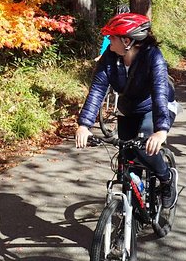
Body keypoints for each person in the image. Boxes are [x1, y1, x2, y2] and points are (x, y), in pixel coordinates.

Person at [75, 13, 179, 208]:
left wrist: (160, 131)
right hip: (128, 107)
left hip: (156, 105)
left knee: (146, 148)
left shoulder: (152, 56)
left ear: (127, 40)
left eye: (111, 37)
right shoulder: (110, 57)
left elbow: (159, 92)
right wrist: (84, 125)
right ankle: (134, 205)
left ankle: (166, 178)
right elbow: (97, 89)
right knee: (127, 157)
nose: (108, 41)